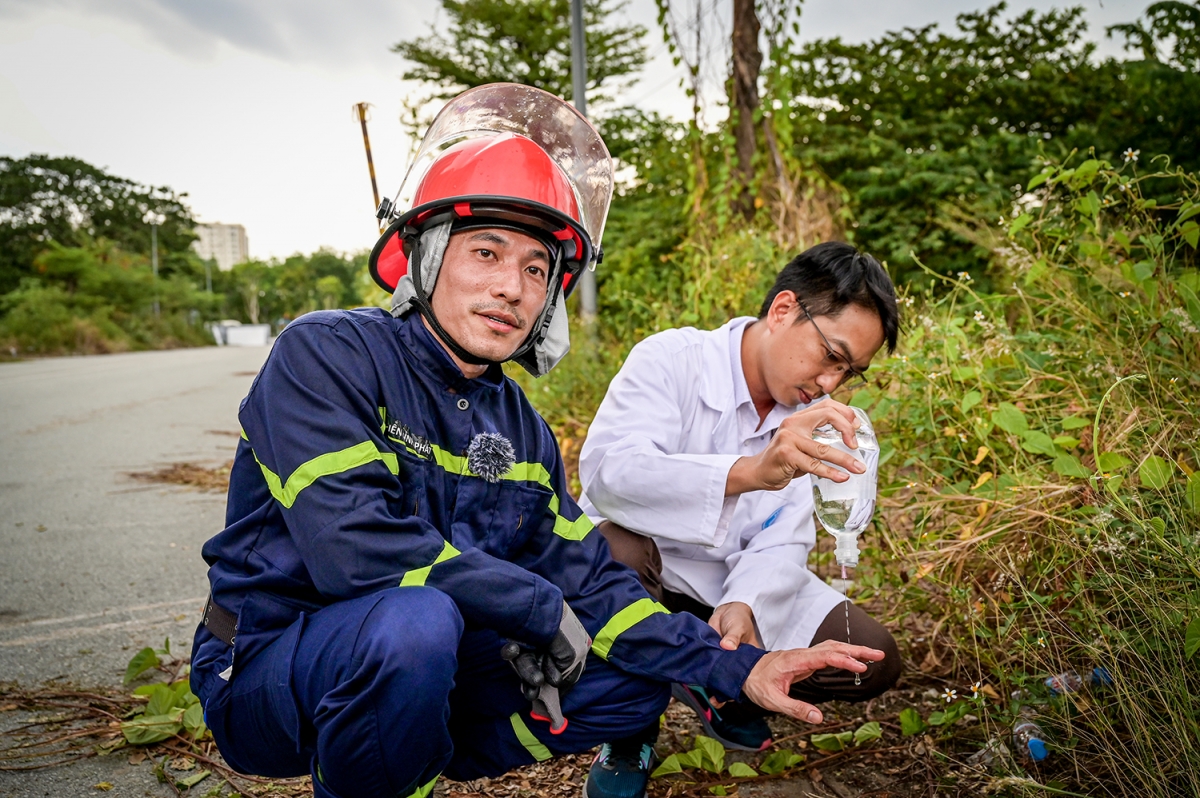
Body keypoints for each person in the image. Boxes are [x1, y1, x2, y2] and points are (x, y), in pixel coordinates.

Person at [190, 84, 885, 798]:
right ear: (425, 255)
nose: (512, 289)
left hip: (431, 660)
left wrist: (736, 668)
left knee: (631, 686)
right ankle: (380, 771)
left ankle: (413, 751)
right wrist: (536, 606)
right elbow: (354, 552)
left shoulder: (518, 425)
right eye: (486, 252)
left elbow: (589, 576)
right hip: (270, 664)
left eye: (535, 269)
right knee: (415, 622)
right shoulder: (326, 354)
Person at [578, 241, 903, 767]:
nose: (830, 383)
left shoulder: (816, 416)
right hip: (645, 575)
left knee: (869, 657)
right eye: (831, 356)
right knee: (614, 548)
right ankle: (630, 728)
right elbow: (608, 475)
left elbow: (785, 534)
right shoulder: (672, 360)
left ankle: (724, 689)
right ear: (782, 310)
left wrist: (745, 603)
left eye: (849, 372)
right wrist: (748, 473)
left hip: (724, 587)